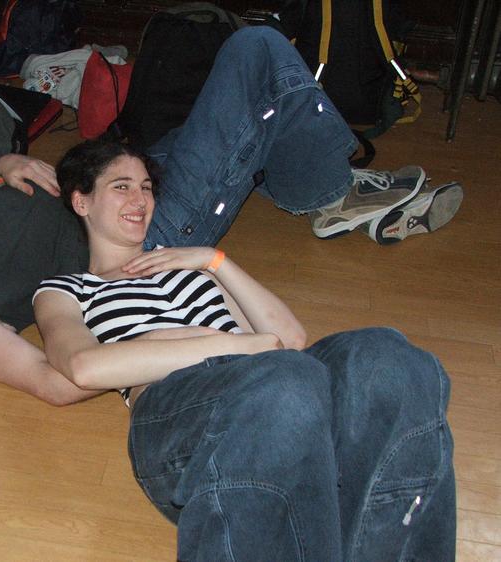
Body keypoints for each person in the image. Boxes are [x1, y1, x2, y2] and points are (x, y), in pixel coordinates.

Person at [0, 27, 461, 397]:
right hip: (142, 238)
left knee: (243, 100)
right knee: (256, 53)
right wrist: (147, 346)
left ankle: (311, 185)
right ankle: (332, 193)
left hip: (106, 187)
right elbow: (55, 383)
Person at [32, 138, 456, 561]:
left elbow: (289, 339)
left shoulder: (190, 266)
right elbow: (84, 366)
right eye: (121, 186)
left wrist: (215, 262)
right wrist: (233, 344)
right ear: (81, 201)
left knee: (387, 356)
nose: (140, 199)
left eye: (145, 187)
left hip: (275, 387)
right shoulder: (67, 289)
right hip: (181, 415)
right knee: (285, 380)